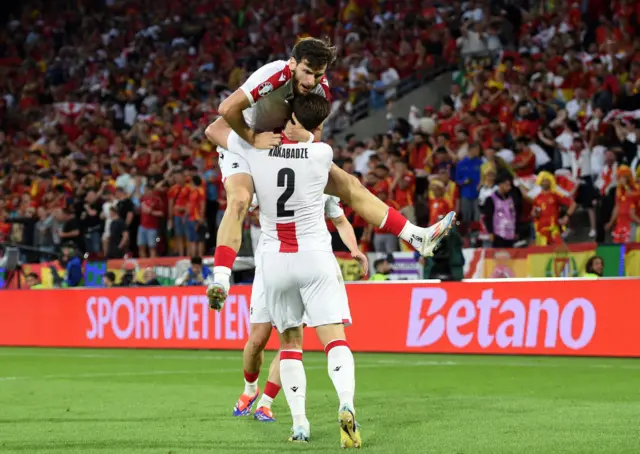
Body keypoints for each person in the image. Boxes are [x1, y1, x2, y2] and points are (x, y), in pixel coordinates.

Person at [205, 37, 455, 309]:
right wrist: (253, 139)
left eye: (318, 74)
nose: (312, 81)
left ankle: (417, 237)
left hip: (279, 148)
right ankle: (221, 279)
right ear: (293, 64)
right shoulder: (272, 74)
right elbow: (223, 114)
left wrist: (305, 138)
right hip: (246, 143)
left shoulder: (321, 89)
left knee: (350, 184)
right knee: (239, 199)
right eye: (307, 72)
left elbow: (316, 139)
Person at [216, 94, 361, 446]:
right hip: (316, 258)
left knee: (290, 344)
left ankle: (299, 424)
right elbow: (336, 173)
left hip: (277, 261)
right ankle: (346, 404)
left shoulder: (258, 155)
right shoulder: (322, 154)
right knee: (334, 340)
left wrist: (250, 134)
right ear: (316, 126)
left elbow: (217, 130)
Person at [233, 193, 367, 423]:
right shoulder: (268, 174)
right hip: (269, 266)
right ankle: (250, 388)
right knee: (257, 340)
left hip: (306, 266)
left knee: (291, 339)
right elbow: (241, 205)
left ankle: (266, 403)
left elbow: (340, 219)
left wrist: (354, 249)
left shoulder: (320, 178)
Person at [483, 170, 518, 248]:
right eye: (507, 185)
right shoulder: (491, 199)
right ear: (500, 185)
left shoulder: (511, 199)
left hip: (510, 234)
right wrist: (491, 232)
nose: (509, 187)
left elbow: (514, 215)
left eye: (510, 185)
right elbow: (488, 217)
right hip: (498, 234)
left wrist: (516, 231)